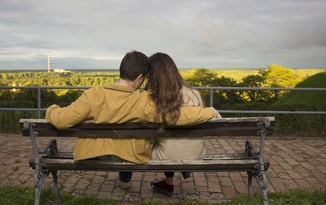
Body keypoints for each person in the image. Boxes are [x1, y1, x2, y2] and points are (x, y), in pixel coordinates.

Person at [46, 50, 219, 189]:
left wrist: (51, 109)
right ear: (139, 78)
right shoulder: (145, 101)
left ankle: (124, 182)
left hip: (93, 155)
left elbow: (62, 120)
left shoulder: (93, 94)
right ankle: (130, 180)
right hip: (130, 157)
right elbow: (179, 116)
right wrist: (208, 112)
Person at [146, 52, 222, 196]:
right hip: (196, 153)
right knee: (170, 141)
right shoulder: (194, 94)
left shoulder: (154, 100)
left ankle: (167, 182)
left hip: (167, 155)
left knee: (161, 143)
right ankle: (169, 182)